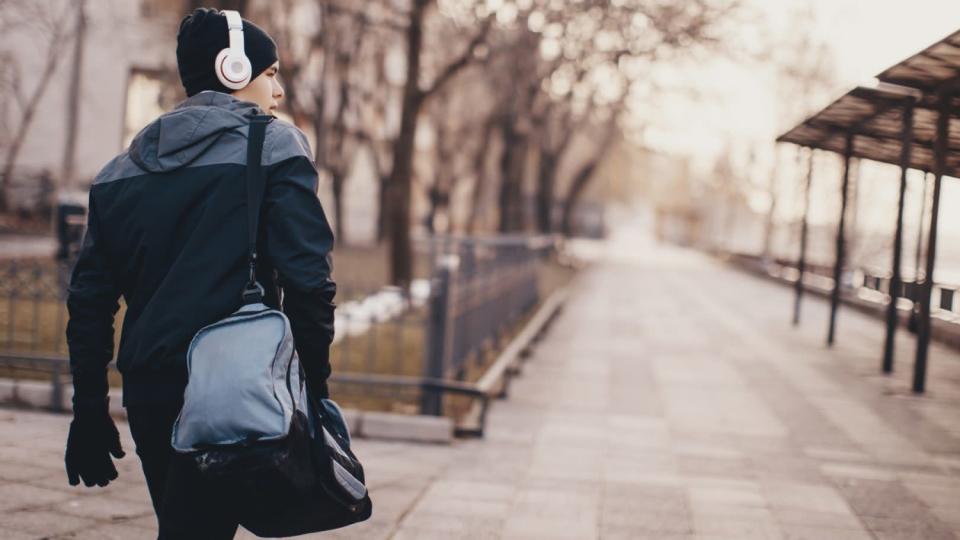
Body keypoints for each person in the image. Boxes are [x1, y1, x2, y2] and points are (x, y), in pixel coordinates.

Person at [63, 8, 336, 538]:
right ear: (233, 69)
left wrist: (89, 410)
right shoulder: (276, 145)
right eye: (271, 74)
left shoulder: (118, 171)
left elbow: (89, 302)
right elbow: (310, 283)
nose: (277, 92)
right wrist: (315, 396)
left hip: (148, 392)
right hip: (237, 393)